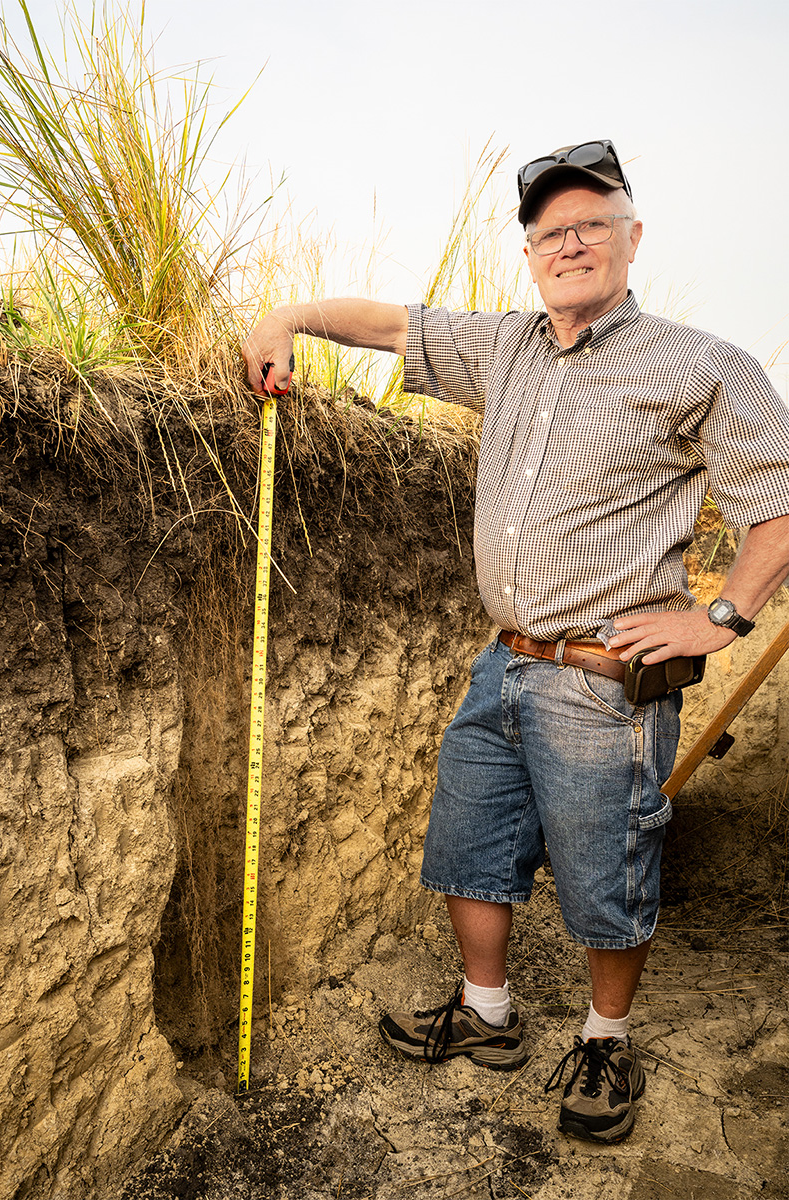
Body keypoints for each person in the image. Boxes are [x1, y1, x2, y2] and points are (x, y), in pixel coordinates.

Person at [241, 140, 789, 1144]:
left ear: (633, 237)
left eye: (591, 224)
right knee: (469, 849)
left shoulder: (707, 365)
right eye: (550, 232)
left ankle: (606, 1040)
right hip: (505, 660)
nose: (570, 243)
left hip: (602, 679)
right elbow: (395, 321)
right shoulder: (507, 347)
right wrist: (287, 316)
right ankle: (487, 1016)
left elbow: (780, 508)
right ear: (531, 253)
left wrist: (717, 619)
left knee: (606, 870)